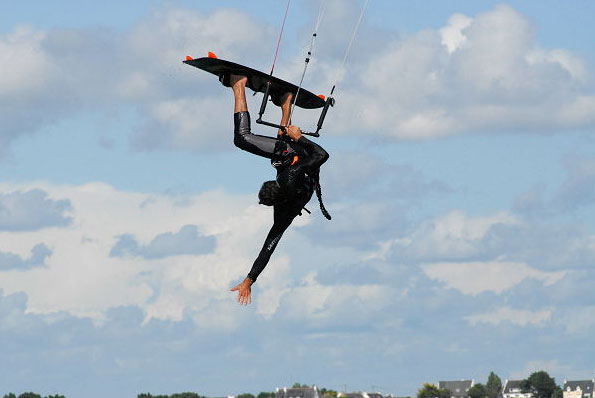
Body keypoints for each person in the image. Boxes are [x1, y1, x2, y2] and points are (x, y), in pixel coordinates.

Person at [225, 74, 330, 305]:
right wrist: (299, 137)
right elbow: (321, 155)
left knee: (279, 154)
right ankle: (238, 84)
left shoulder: (284, 211)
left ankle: (286, 101)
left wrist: (249, 280)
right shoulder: (289, 180)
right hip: (303, 155)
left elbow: (269, 247)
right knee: (242, 139)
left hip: (296, 163)